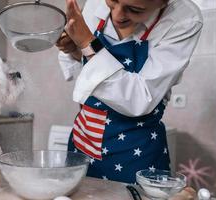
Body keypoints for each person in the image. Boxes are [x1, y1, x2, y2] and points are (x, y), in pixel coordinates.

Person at [56, 0, 203, 184]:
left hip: (137, 155)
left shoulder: (183, 19)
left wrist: (87, 43)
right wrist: (74, 51)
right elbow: (89, 78)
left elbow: (139, 98)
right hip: (84, 143)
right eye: (112, 1)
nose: (117, 15)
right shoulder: (95, 3)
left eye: (134, 9)